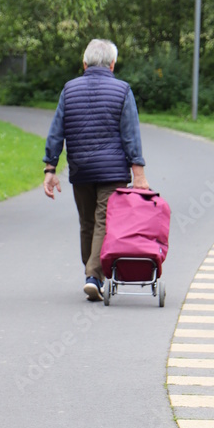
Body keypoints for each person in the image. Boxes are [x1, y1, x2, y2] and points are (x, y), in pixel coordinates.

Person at [43, 38, 149, 301]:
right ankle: (94, 276)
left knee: (87, 222)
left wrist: (50, 168)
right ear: (112, 65)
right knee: (104, 221)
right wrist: (138, 173)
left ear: (84, 63)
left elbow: (56, 130)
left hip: (81, 171)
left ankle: (92, 274)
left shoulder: (69, 89)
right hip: (113, 172)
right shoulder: (122, 90)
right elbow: (131, 134)